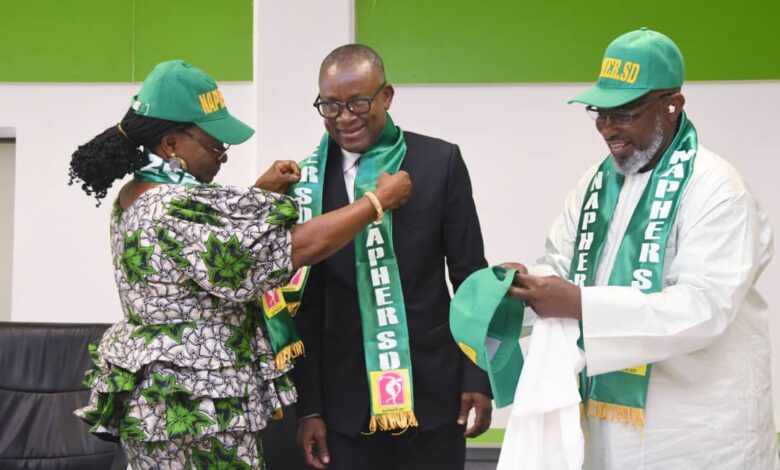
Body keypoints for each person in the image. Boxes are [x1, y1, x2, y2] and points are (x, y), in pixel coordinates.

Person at [69, 59, 411, 469]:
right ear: (172, 143)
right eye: (215, 145)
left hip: (164, 408)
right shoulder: (175, 207)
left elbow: (203, 253)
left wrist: (261, 191)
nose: (223, 158)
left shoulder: (137, 195)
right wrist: (376, 202)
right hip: (198, 411)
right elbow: (291, 250)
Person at [503, 28, 778, 469]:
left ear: (673, 105)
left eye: (625, 113)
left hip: (698, 431)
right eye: (600, 113)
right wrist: (523, 288)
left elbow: (704, 307)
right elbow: (561, 266)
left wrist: (581, 304)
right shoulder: (596, 184)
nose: (608, 128)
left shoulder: (717, 188)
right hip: (608, 430)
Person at [291, 44, 492, 470]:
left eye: (358, 102)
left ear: (387, 95)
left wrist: (478, 375)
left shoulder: (439, 162)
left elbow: (470, 277)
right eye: (330, 106)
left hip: (433, 391)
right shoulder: (307, 182)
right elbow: (305, 305)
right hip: (344, 404)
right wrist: (309, 407)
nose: (345, 117)